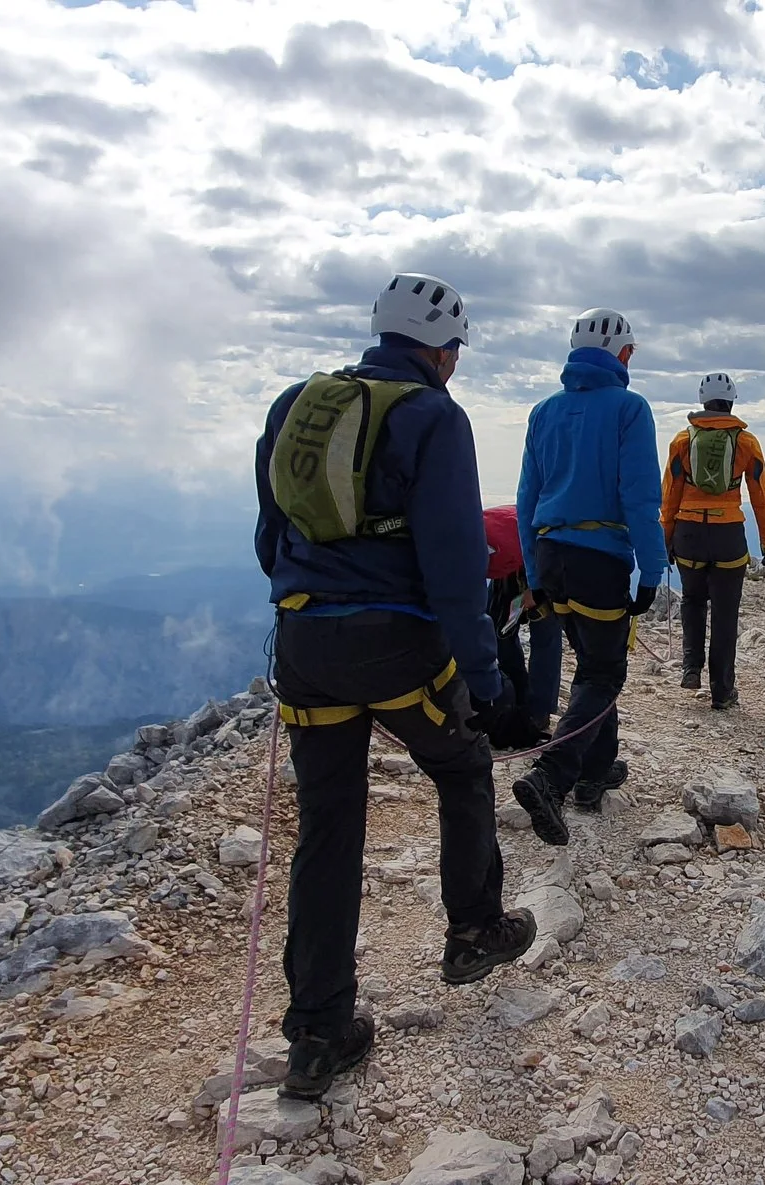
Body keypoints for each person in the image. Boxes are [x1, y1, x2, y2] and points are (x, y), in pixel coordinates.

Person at [252, 272, 536, 1100]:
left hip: (304, 639)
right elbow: (455, 565)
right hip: (395, 644)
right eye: (456, 352)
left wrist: (309, 603)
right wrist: (482, 676)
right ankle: (474, 928)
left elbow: (271, 534)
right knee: (461, 764)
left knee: (328, 825)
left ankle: (318, 1028)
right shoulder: (433, 418)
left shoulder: (297, 404)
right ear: (442, 352)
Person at [509, 307, 668, 846]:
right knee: (603, 675)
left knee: (594, 667)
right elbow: (642, 496)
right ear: (623, 354)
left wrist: (532, 573)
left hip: (551, 557)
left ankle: (595, 775)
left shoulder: (544, 411)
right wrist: (653, 567)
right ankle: (553, 775)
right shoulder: (629, 408)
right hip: (600, 559)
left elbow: (526, 498)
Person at [659, 373, 765, 710]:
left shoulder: (682, 441)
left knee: (693, 600)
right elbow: (762, 498)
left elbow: (669, 496)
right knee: (725, 614)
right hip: (728, 536)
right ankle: (722, 691)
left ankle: (691, 667)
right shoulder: (746, 443)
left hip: (688, 533)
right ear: (732, 402)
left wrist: (665, 537)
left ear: (702, 402)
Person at [480, 505, 559, 749]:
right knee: (500, 630)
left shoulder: (474, 542)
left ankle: (538, 710)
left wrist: (536, 589)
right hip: (510, 562)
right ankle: (515, 697)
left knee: (545, 634)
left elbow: (551, 555)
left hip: (543, 557)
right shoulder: (472, 540)